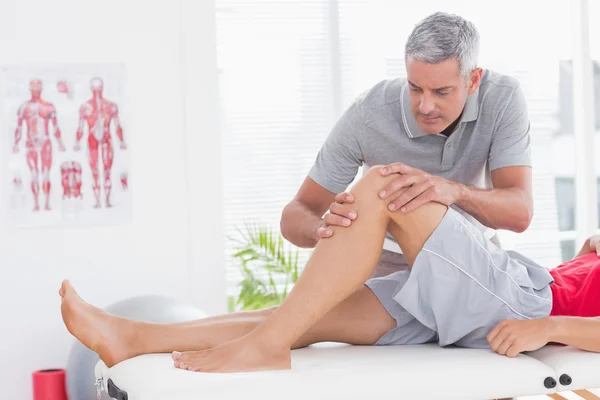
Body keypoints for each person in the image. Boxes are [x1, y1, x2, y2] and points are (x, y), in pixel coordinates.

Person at [59, 165, 600, 374]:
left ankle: (262, 349)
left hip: (525, 307)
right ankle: (133, 334)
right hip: (513, 293)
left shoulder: (545, 317)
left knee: (384, 186)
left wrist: (549, 328)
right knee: (301, 316)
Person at [280, 12, 534, 278]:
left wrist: (456, 192)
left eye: (441, 92)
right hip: (387, 263)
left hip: (472, 255)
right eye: (415, 88)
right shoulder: (369, 113)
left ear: (472, 81)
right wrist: (320, 230)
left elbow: (520, 213)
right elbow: (296, 213)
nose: (425, 106)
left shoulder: (502, 98)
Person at [13, 79, 66, 211]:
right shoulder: (24, 107)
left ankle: (47, 203)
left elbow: (55, 127)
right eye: (34, 88)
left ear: (41, 89)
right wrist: (15, 144)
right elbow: (19, 127)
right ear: (30, 89)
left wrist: (60, 143)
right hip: (30, 143)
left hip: (45, 142)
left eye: (38, 88)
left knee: (46, 173)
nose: (36, 91)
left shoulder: (48, 106)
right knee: (34, 174)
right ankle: (36, 203)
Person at [74, 77, 127, 208]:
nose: (97, 91)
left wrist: (122, 140)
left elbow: (117, 125)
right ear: (91, 89)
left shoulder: (110, 106)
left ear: (102, 88)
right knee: (95, 171)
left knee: (107, 170)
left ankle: (106, 201)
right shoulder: (85, 107)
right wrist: (77, 141)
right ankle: (98, 201)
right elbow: (80, 127)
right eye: (95, 89)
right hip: (92, 140)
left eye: (99, 88)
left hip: (106, 139)